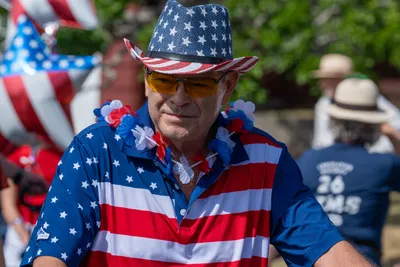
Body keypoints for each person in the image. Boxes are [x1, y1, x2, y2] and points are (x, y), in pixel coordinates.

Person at [22, 1, 373, 266]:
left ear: (228, 87)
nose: (178, 98)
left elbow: (327, 251)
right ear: (146, 81)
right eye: (164, 79)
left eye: (199, 83)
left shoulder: (266, 161)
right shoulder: (96, 151)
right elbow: (50, 255)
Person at [297, 77, 400, 266]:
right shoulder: (384, 165)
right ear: (374, 124)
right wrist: (394, 137)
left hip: (312, 258)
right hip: (361, 258)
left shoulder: (308, 160)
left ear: (333, 120)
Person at [312, 54, 400, 153]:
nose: (324, 84)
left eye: (331, 79)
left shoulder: (367, 99)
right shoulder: (323, 104)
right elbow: (319, 141)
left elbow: (396, 123)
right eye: (324, 79)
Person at [1, 145, 60, 267]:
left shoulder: (60, 154)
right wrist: (24, 235)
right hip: (21, 226)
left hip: (53, 227)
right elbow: (8, 203)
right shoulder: (16, 157)